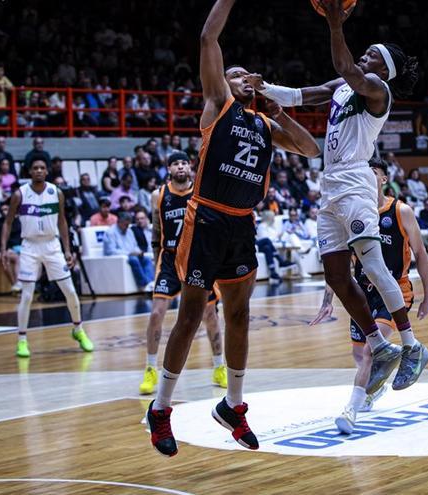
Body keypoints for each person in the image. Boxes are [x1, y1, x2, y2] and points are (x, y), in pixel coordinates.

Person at [146, 0, 320, 458]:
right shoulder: (217, 105)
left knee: (239, 316)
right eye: (238, 74)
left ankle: (233, 404)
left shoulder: (265, 124)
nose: (245, 79)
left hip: (241, 223)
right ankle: (161, 408)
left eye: (249, 77)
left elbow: (311, 149)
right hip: (204, 218)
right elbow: (208, 38)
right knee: (191, 314)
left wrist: (277, 106)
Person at [247, 0, 428, 394]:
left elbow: (346, 67)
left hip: (356, 183)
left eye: (373, 55)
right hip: (329, 185)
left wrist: (334, 26)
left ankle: (412, 346)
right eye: (366, 51)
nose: (365, 55)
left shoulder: (377, 91)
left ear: (384, 70)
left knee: (375, 269)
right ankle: (380, 346)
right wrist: (263, 88)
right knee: (336, 275)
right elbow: (306, 94)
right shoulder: (345, 88)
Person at [311, 158, 428, 434]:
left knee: (369, 351)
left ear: (383, 180)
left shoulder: (401, 211)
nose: (366, 177)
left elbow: (421, 255)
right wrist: (328, 300)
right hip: (364, 292)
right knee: (359, 354)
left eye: (373, 173)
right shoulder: (351, 214)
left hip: (395, 289)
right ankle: (374, 386)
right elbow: (339, 266)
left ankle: (350, 410)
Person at [139, 152, 227, 396]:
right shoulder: (158, 195)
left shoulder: (200, 192)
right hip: (168, 259)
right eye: (176, 163)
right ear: (169, 169)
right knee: (157, 313)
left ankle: (219, 366)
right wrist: (156, 257)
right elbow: (157, 231)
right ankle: (150, 368)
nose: (180, 167)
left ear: (190, 168)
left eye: (184, 163)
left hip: (196, 258)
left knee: (210, 314)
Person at [0, 158, 93, 358]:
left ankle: (78, 329)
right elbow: (7, 223)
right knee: (26, 295)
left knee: (70, 291)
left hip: (52, 245)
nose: (39, 171)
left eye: (42, 168)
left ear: (47, 171)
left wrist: (67, 249)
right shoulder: (20, 194)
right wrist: (3, 248)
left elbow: (62, 221)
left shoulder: (56, 192)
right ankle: (22, 340)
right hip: (29, 246)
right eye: (35, 168)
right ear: (29, 171)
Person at [104, 211, 155, 290]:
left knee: (147, 259)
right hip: (120, 257)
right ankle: (143, 284)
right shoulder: (110, 232)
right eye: (125, 225)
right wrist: (129, 253)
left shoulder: (129, 231)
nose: (127, 227)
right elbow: (110, 251)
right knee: (134, 259)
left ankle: (150, 283)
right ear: (119, 222)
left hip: (132, 255)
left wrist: (139, 252)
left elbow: (135, 246)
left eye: (128, 224)